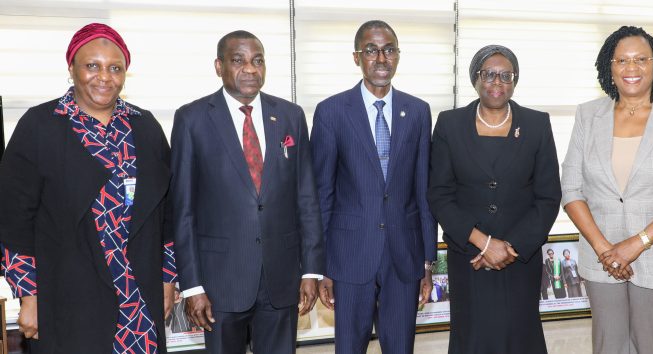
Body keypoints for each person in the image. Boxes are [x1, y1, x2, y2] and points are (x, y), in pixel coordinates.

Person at [0, 23, 176, 353]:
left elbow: (168, 211)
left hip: (139, 295)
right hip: (66, 295)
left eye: (115, 68)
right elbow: (13, 223)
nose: (104, 77)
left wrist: (168, 279)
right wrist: (28, 294)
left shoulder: (146, 126)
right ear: (72, 69)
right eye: (92, 66)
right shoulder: (39, 127)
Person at [170, 30, 324, 353]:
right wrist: (192, 285)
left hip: (281, 279)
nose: (250, 69)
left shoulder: (290, 116)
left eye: (257, 61)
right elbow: (182, 211)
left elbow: (306, 199)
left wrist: (310, 270)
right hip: (220, 284)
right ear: (218, 66)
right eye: (238, 60)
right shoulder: (192, 119)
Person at [560, 25, 653, 354]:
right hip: (601, 256)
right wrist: (604, 249)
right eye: (622, 60)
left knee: (651, 346)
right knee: (607, 345)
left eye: (642, 59)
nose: (632, 68)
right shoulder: (588, 114)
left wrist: (636, 243)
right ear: (608, 68)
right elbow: (571, 187)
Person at [310, 20, 436, 354]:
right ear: (357, 57)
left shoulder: (419, 111)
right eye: (371, 50)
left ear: (398, 55)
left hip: (404, 258)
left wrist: (427, 262)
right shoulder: (331, 112)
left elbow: (424, 191)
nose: (381, 58)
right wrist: (321, 266)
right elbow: (321, 194)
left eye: (389, 49)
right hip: (349, 258)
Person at [428, 44, 561, 354]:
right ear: (475, 78)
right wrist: (485, 243)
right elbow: (440, 194)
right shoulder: (450, 124)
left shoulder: (536, 124)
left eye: (506, 75)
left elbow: (548, 196)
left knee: (519, 337)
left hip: (519, 258)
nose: (497, 82)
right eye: (489, 74)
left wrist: (509, 247)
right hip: (470, 256)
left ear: (515, 81)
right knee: (473, 338)